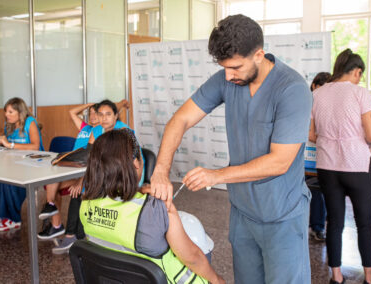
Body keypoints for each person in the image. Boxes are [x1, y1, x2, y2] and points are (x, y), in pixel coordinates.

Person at [148, 14, 312, 284]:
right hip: (243, 214)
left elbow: (279, 162)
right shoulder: (227, 79)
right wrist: (161, 171)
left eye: (235, 67)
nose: (228, 75)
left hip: (282, 216)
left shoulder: (291, 89)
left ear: (259, 54)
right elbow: (181, 119)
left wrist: (216, 175)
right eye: (224, 67)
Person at [80, 129, 224, 284]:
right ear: (136, 164)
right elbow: (193, 258)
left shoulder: (86, 204)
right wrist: (217, 280)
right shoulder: (154, 210)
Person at [309, 49, 371, 284]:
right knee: (364, 225)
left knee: (335, 223)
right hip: (357, 166)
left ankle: (336, 277)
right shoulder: (360, 93)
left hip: (328, 166)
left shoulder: (318, 94)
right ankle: (369, 278)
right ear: (357, 71)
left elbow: (311, 135)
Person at [39, 100, 129, 243]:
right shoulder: (86, 128)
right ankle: (54, 217)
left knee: (78, 192)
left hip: (88, 172)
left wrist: (122, 103)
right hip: (77, 170)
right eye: (92, 114)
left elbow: (111, 112)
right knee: (52, 180)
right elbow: (73, 113)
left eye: (97, 113)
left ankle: (72, 234)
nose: (95, 116)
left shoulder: (108, 130)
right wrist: (89, 105)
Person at [0, 97, 44, 231]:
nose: (7, 115)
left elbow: (35, 147)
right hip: (16, 162)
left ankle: (14, 219)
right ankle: (4, 216)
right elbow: (9, 148)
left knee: (9, 182)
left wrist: (10, 144)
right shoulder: (9, 125)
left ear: (20, 112)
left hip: (34, 163)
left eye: (10, 112)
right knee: (2, 179)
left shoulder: (30, 122)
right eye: (6, 111)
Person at [308, 72, 331, 242]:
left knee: (324, 189)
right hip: (306, 156)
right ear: (314, 86)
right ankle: (317, 226)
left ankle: (320, 225)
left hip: (324, 155)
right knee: (316, 188)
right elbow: (310, 134)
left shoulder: (330, 104)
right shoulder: (306, 102)